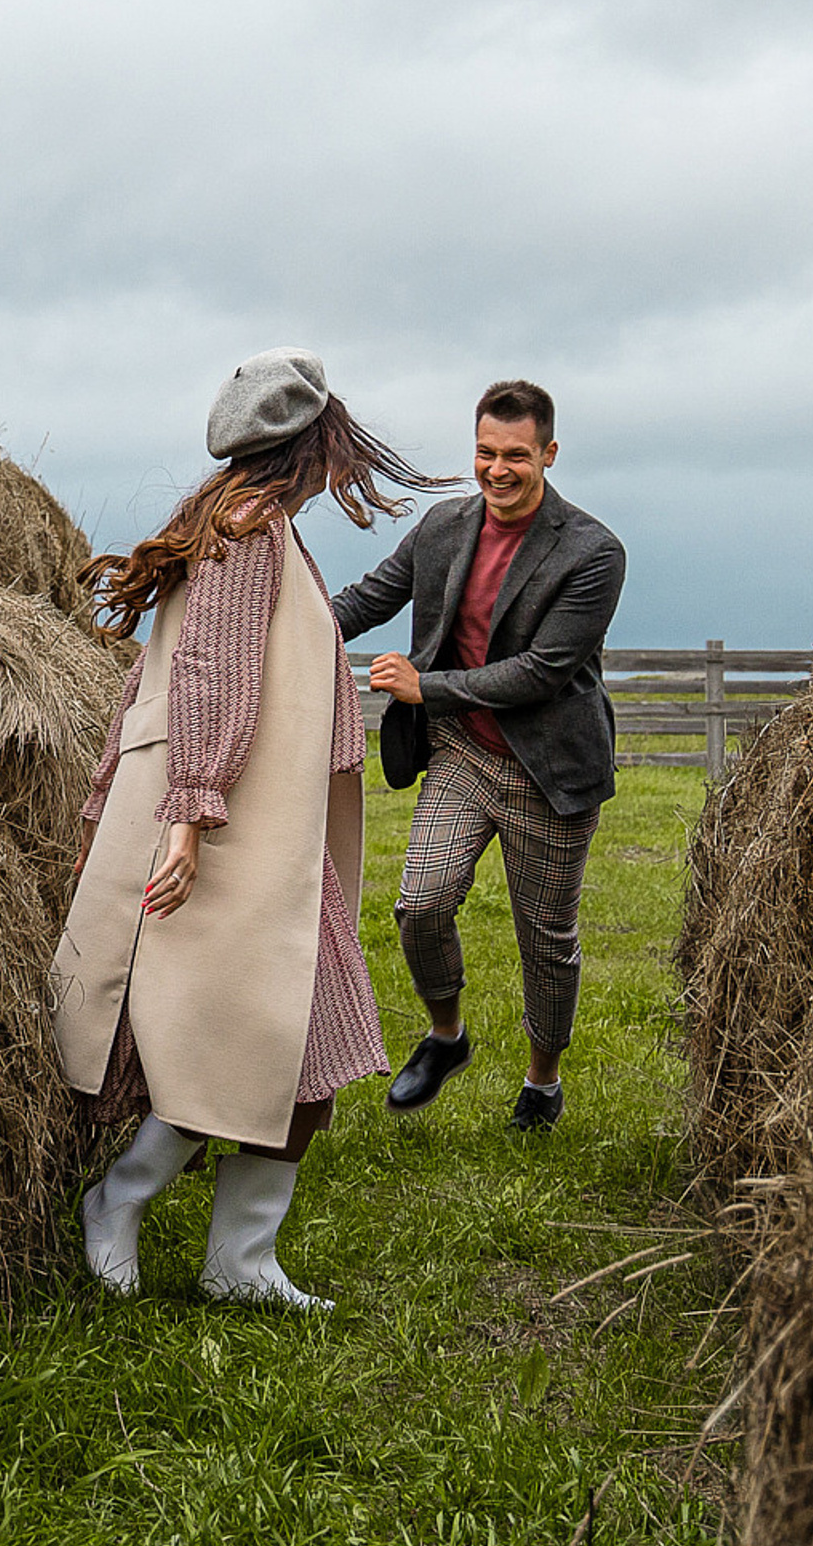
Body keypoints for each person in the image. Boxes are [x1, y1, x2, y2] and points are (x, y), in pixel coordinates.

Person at [51, 348, 446, 1309]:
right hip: (229, 828)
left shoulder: (251, 525)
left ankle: (241, 1258)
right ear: (313, 444)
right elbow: (210, 676)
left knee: (299, 1046)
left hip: (262, 829)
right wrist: (190, 814)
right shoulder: (246, 529)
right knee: (244, 1037)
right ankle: (124, 1200)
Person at [331, 380, 625, 1132]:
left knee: (546, 942)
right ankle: (446, 1035)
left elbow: (541, 672)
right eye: (486, 453)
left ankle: (542, 1080)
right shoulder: (443, 527)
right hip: (464, 755)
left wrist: (424, 686)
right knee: (419, 906)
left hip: (550, 772)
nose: (498, 469)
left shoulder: (593, 553)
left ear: (549, 454)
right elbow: (368, 599)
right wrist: (278, 617)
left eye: (517, 456)